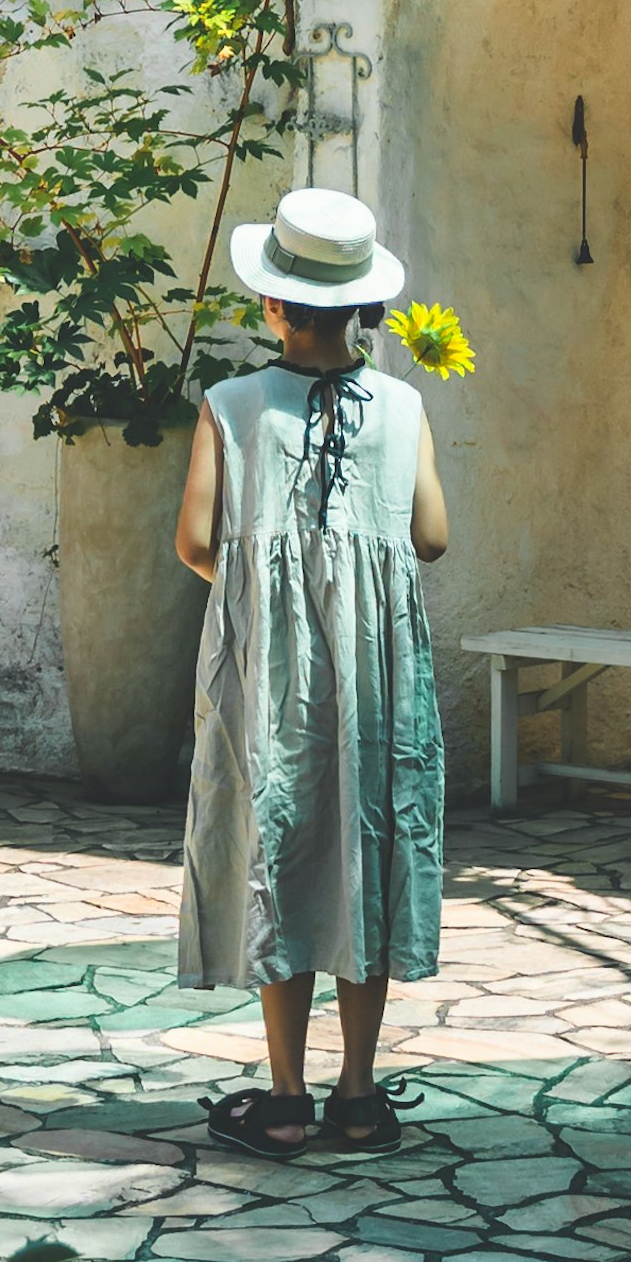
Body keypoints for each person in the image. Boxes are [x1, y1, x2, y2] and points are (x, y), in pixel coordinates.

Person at [173, 181, 450, 1156]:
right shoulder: (405, 406)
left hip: (272, 675)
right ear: (365, 303)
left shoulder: (231, 404)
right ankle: (361, 1093)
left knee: (279, 846)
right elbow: (431, 534)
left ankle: (285, 1096)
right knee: (363, 849)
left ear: (272, 302)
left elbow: (196, 539)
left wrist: (266, 578)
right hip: (375, 670)